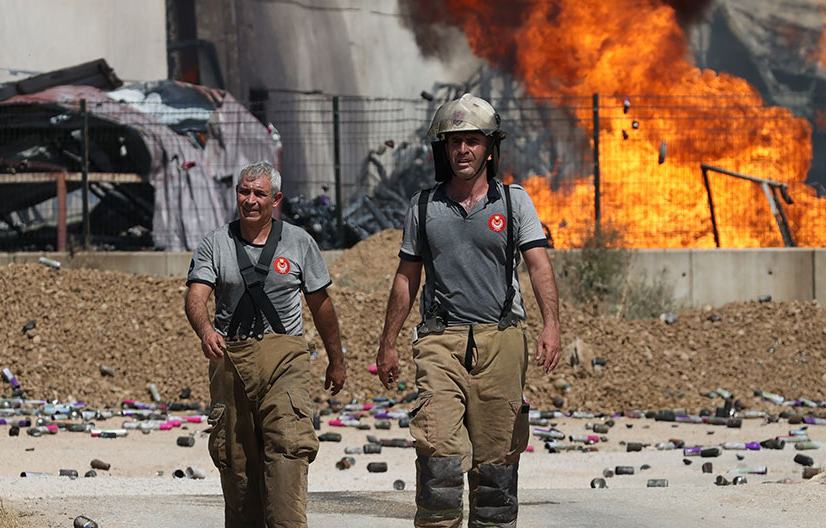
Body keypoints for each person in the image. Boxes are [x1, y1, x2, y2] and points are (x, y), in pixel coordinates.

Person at [375, 93, 562, 528]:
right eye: (454, 141)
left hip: (501, 339)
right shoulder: (423, 207)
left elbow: (538, 267)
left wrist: (551, 326)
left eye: (473, 141)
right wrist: (388, 344)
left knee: (496, 471)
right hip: (441, 341)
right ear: (443, 148)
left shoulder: (515, 203)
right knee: (438, 459)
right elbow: (406, 279)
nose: (463, 150)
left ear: (490, 147)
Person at [184, 161, 346, 528]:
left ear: (276, 199)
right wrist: (206, 330)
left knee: (288, 447)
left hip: (285, 359)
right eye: (244, 192)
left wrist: (336, 361)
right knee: (236, 462)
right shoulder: (215, 243)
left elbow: (322, 306)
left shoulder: (299, 242)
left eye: (259, 193)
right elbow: (196, 296)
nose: (250, 200)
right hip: (231, 361)